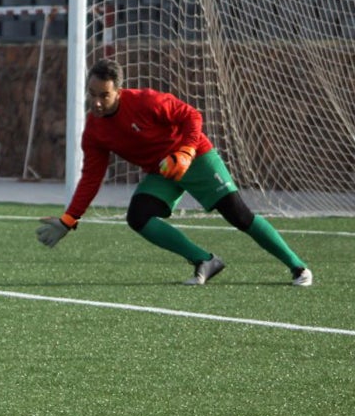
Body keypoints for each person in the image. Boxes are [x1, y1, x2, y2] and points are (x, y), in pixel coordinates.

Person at [36, 58, 313, 287]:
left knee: (239, 216)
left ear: (118, 91)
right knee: (138, 216)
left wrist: (186, 151)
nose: (96, 102)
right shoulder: (95, 132)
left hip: (197, 157)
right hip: (163, 171)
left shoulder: (145, 101)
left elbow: (192, 115)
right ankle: (204, 260)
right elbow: (91, 178)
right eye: (92, 94)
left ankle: (298, 267)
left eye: (104, 95)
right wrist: (69, 219)